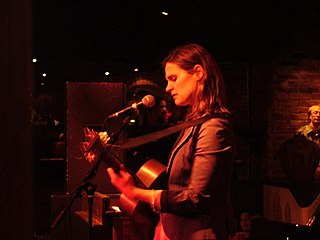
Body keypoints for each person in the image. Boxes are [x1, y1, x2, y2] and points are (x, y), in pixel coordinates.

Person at [107, 43, 236, 240]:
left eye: (173, 78)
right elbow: (178, 186)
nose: (168, 88)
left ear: (198, 73)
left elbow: (195, 199)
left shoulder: (213, 127)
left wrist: (134, 192)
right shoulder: (193, 123)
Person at [296, 104, 320, 180]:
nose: (318, 115)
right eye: (315, 113)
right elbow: (298, 154)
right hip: (305, 170)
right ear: (310, 116)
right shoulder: (302, 133)